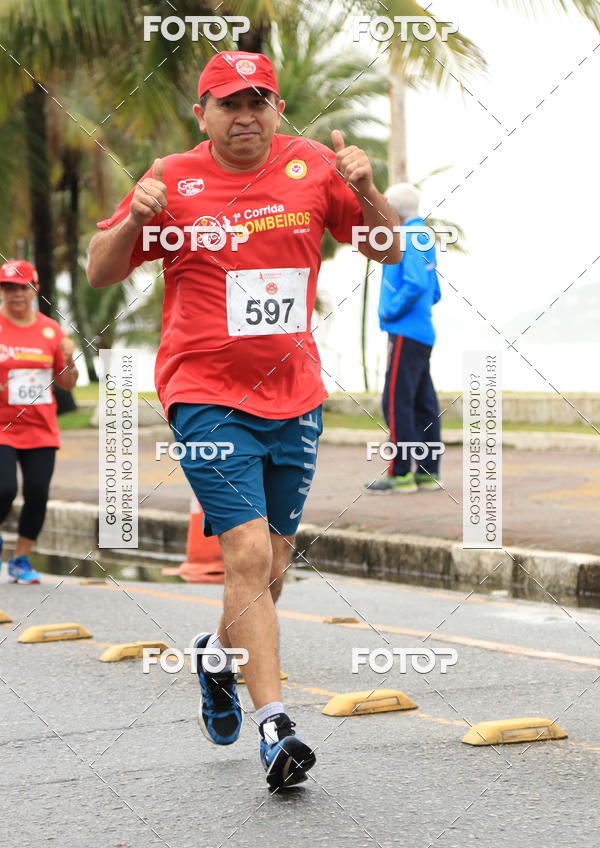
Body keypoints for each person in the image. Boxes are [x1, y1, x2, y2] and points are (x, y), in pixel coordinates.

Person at [87, 50, 400, 790]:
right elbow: (101, 268)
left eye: (259, 100)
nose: (246, 115)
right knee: (248, 554)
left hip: (294, 396)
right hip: (204, 392)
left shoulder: (316, 167)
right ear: (203, 114)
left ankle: (215, 657)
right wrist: (133, 220)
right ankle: (276, 728)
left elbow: (388, 247)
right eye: (229, 103)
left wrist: (367, 186)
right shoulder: (172, 178)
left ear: (278, 109)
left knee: (274, 568)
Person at [0, 260, 78, 583]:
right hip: (3, 426)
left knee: (37, 492)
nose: (17, 294)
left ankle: (21, 558)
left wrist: (70, 358)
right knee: (4, 490)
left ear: (35, 288)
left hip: (40, 428)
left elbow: (67, 383)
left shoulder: (51, 330)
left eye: (23, 287)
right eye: (9, 288)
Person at [367, 183, 443, 493]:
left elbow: (414, 285)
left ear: (391, 210)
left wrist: (390, 313)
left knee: (397, 402)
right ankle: (427, 472)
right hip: (422, 331)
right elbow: (433, 289)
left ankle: (400, 474)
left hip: (404, 331)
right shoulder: (423, 234)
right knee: (423, 402)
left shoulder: (406, 237)